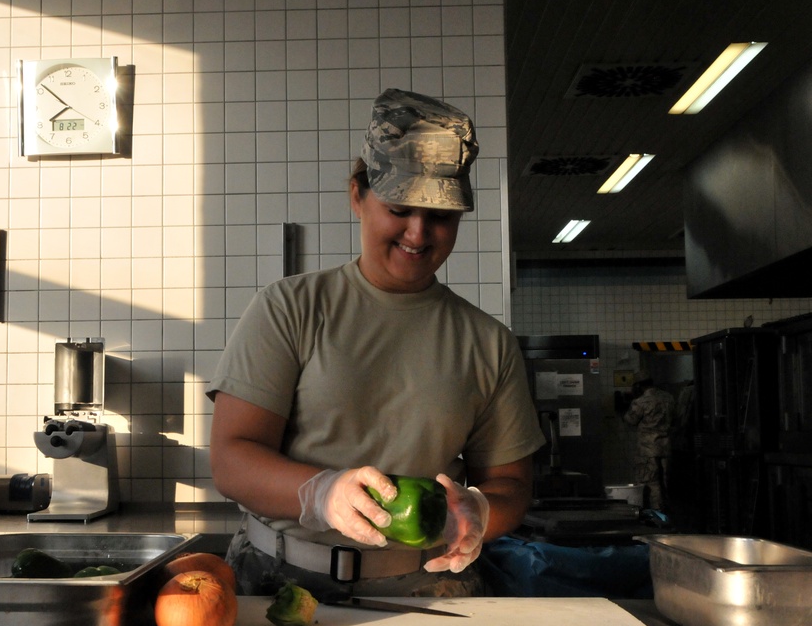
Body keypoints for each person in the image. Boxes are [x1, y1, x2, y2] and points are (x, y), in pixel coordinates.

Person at [206, 88, 545, 600]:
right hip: (276, 581)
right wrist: (321, 494)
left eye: (441, 216)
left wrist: (479, 510)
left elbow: (512, 485)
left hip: (426, 591)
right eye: (399, 207)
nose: (419, 232)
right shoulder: (290, 307)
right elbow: (232, 458)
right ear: (357, 195)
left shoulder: (487, 342)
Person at [622, 372, 676, 510]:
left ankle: (658, 517)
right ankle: (673, 515)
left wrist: (625, 406)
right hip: (667, 447)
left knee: (651, 483)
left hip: (648, 449)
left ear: (639, 386)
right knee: (667, 483)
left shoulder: (640, 402)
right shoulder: (668, 398)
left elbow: (630, 420)